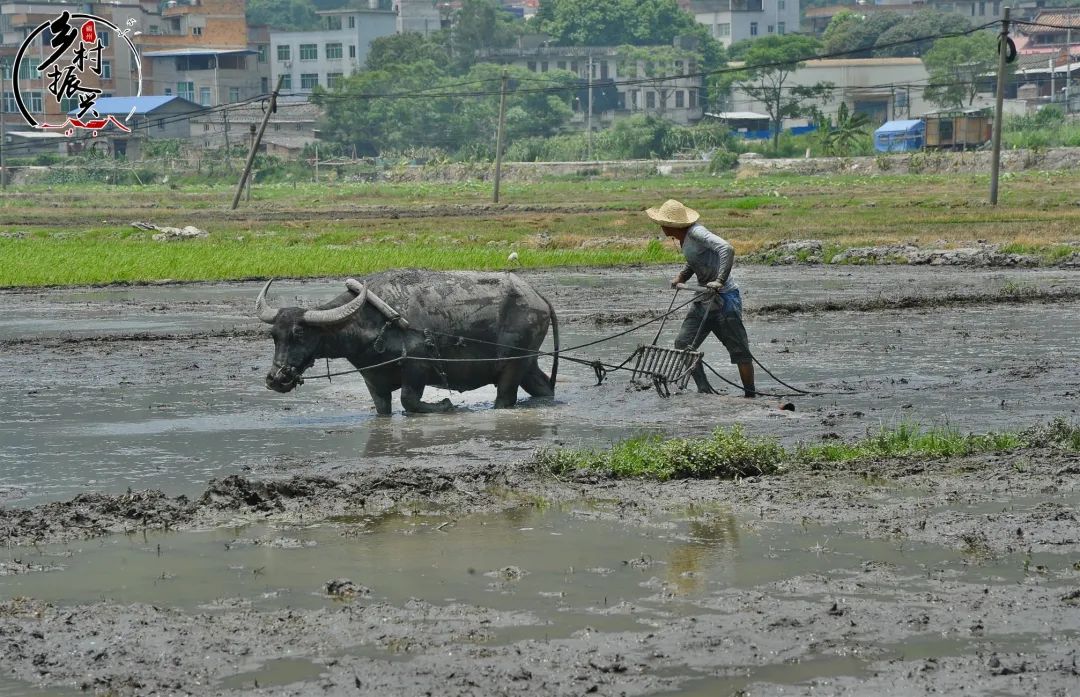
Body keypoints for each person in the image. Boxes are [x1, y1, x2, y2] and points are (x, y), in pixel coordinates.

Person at [645, 199, 756, 398]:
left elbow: (726, 249)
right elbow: (697, 260)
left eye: (662, 222)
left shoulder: (697, 233)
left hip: (724, 300)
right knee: (683, 344)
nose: (660, 226)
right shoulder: (684, 238)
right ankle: (704, 391)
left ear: (672, 225)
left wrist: (720, 280)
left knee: (740, 352)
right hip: (703, 299)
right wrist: (682, 276)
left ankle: (750, 396)